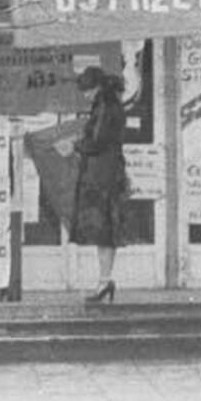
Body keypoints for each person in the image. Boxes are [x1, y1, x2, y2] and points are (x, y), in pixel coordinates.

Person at [68, 66, 130, 303]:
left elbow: (98, 141)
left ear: (97, 87)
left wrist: (76, 145)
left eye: (87, 90)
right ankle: (104, 280)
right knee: (106, 230)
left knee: (104, 228)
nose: (85, 95)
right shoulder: (111, 104)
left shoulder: (105, 107)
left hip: (101, 175)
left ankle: (104, 281)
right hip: (109, 172)